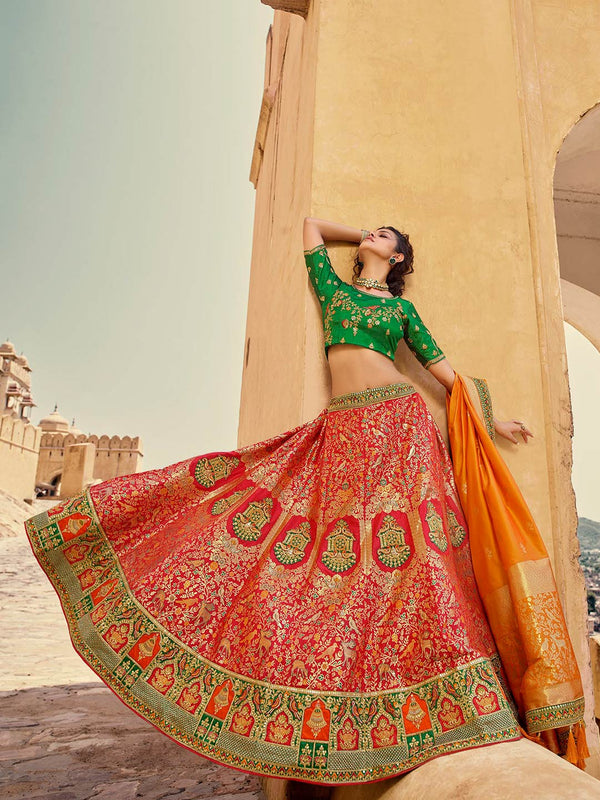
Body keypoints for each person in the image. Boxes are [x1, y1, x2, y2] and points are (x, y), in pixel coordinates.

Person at [24, 216, 587, 786]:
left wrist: (492, 422)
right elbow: (309, 226)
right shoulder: (332, 288)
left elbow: (445, 374)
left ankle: (450, 696)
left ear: (398, 260)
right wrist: (364, 235)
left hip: (399, 424)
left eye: (387, 234)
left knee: (414, 558)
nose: (374, 233)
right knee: (325, 553)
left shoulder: (401, 311)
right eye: (374, 229)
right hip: (342, 431)